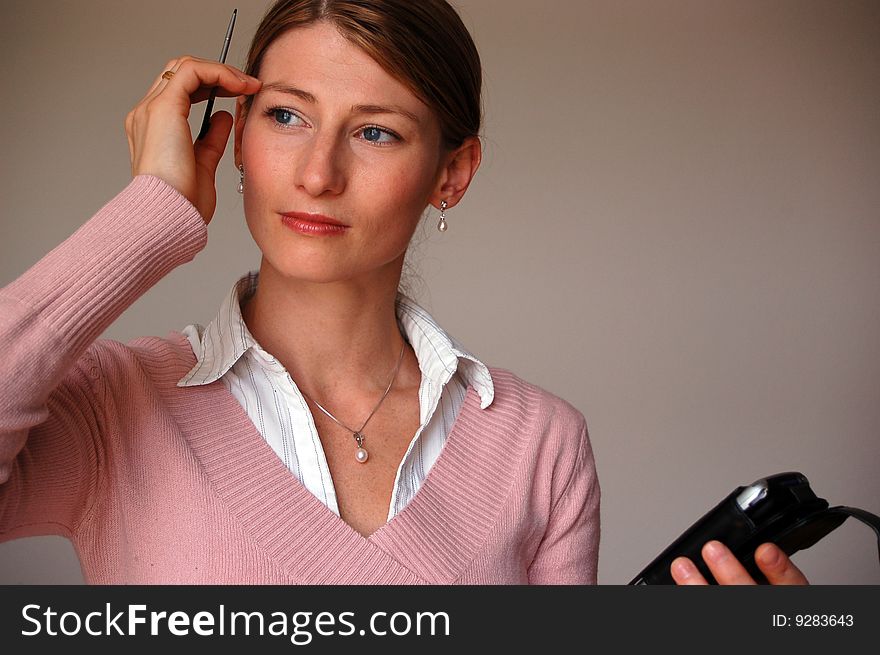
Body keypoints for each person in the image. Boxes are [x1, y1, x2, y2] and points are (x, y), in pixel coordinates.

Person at [0, 0, 804, 585]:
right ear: (236, 136)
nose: (318, 173)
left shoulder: (539, 446)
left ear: (450, 174)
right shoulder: (108, 407)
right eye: (285, 116)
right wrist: (151, 213)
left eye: (375, 131)